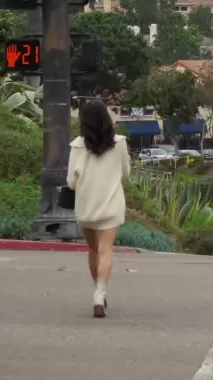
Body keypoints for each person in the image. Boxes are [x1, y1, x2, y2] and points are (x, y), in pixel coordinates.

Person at [67, 99, 130, 318]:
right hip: (111, 203)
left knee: (93, 250)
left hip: (86, 205)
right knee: (106, 250)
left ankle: (98, 291)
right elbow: (126, 174)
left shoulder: (76, 146)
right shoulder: (120, 143)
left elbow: (71, 182)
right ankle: (99, 294)